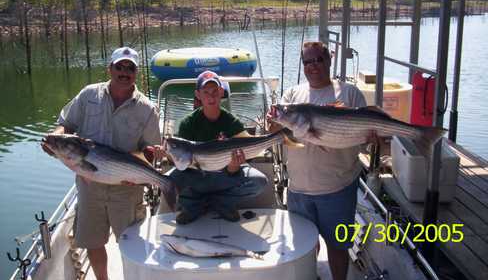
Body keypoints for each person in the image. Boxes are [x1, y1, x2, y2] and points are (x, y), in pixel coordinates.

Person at [41, 47, 163, 280]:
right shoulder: (88, 95)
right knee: (93, 242)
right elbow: (65, 125)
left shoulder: (147, 109)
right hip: (89, 190)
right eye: (119, 66)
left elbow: (150, 152)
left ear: (136, 73)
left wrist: (148, 161)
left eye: (130, 68)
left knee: (131, 246)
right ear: (110, 68)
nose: (124, 72)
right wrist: (54, 139)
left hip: (127, 191)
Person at [268, 41, 367, 280]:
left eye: (318, 60)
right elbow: (276, 133)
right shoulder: (292, 95)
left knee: (338, 246)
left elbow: (364, 139)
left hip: (338, 188)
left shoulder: (350, 93)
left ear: (329, 60)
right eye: (307, 61)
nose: (313, 66)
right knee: (305, 245)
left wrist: (373, 137)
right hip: (299, 189)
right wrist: (273, 120)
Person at [167, 70, 268, 225]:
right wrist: (169, 154)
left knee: (259, 181)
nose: (211, 96)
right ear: (198, 95)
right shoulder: (188, 123)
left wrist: (234, 167)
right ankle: (194, 207)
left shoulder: (231, 122)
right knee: (167, 181)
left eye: (215, 91)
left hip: (224, 175)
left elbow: (242, 153)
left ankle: (220, 203)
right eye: (205, 92)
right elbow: (183, 165)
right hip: (197, 176)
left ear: (221, 92)